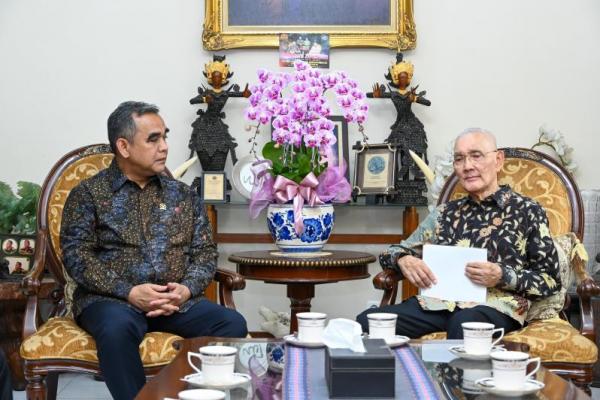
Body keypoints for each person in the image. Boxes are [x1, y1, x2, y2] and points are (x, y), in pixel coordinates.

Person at [61, 101, 248, 400]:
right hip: (112, 302)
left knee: (231, 322)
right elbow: (77, 257)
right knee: (116, 329)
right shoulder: (88, 195)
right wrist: (129, 291)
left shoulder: (182, 194)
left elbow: (204, 252)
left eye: (165, 136)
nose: (164, 147)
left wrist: (185, 290)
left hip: (174, 302)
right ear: (123, 146)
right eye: (153, 139)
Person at [357, 128, 561, 339]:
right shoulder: (445, 213)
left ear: (498, 160)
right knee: (367, 321)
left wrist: (502, 275)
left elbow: (550, 280)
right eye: (459, 159)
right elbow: (393, 251)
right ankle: (409, 373)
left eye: (476, 156)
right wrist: (403, 259)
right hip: (437, 305)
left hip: (495, 306)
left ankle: (450, 374)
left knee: (464, 323)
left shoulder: (527, 210)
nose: (467, 166)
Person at [188, 55, 250, 173]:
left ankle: (217, 177)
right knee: (202, 147)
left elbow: (240, 94)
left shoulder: (225, 94)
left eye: (219, 76)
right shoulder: (208, 93)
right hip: (204, 124)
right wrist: (205, 100)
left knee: (223, 145)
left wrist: (245, 94)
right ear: (211, 77)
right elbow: (192, 101)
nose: (217, 78)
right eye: (215, 76)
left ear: (223, 78)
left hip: (217, 123)